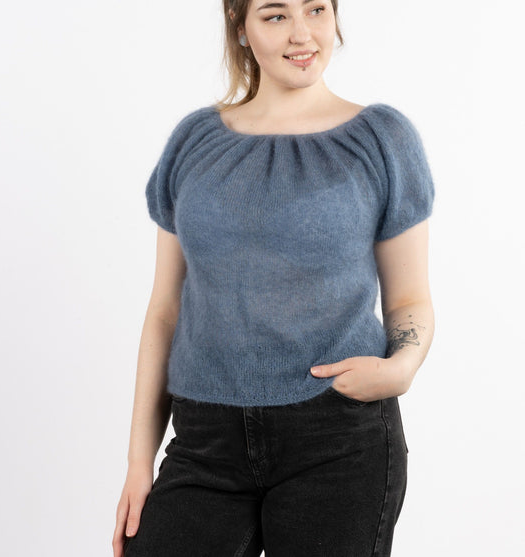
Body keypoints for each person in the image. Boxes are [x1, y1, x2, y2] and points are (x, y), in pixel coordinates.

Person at [113, 0, 436, 555]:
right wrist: (139, 463)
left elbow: (409, 298)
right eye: (275, 15)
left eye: (316, 9)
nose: (302, 33)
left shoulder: (382, 138)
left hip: (338, 436)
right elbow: (166, 309)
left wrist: (401, 368)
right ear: (240, 26)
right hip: (203, 442)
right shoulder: (194, 141)